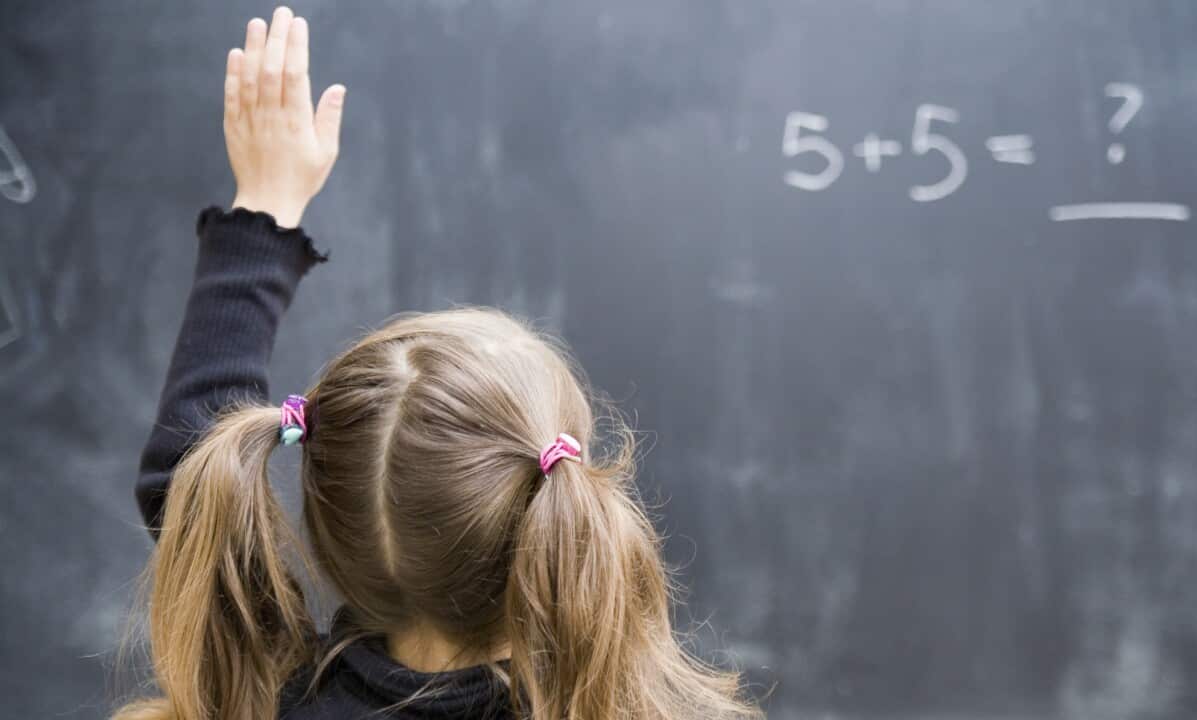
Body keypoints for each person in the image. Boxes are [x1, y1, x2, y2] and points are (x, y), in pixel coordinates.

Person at [113, 6, 763, 719]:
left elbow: (193, 479)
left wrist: (263, 209)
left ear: (332, 524)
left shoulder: (263, 693)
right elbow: (191, 484)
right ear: (550, 507)